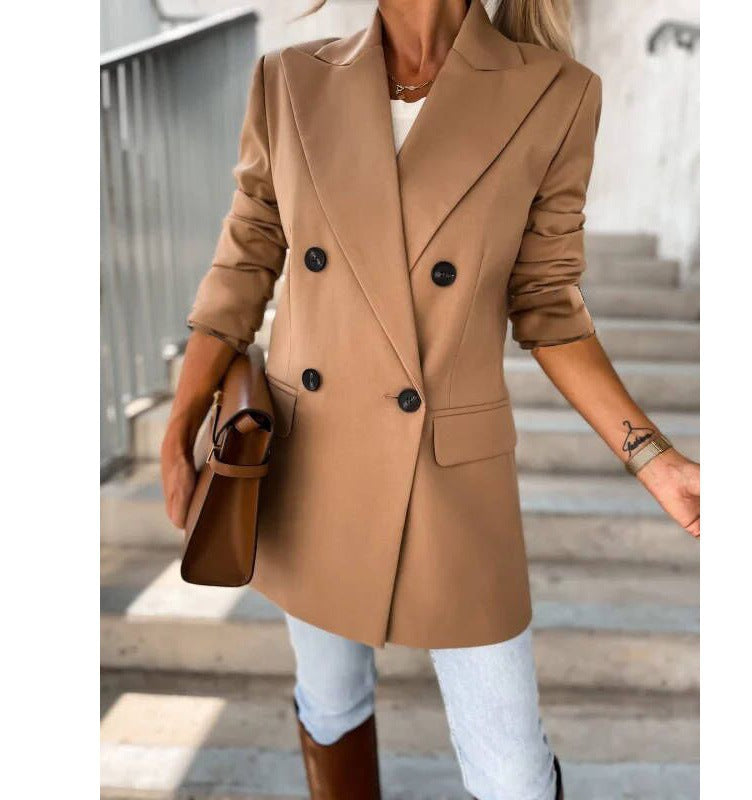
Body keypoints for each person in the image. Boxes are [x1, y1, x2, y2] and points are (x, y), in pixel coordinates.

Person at [160, 1, 700, 797]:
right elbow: (245, 260)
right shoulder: (289, 80)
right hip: (311, 460)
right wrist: (183, 418)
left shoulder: (557, 92)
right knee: (331, 704)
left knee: (513, 775)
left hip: (452, 475)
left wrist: (654, 458)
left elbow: (547, 305)